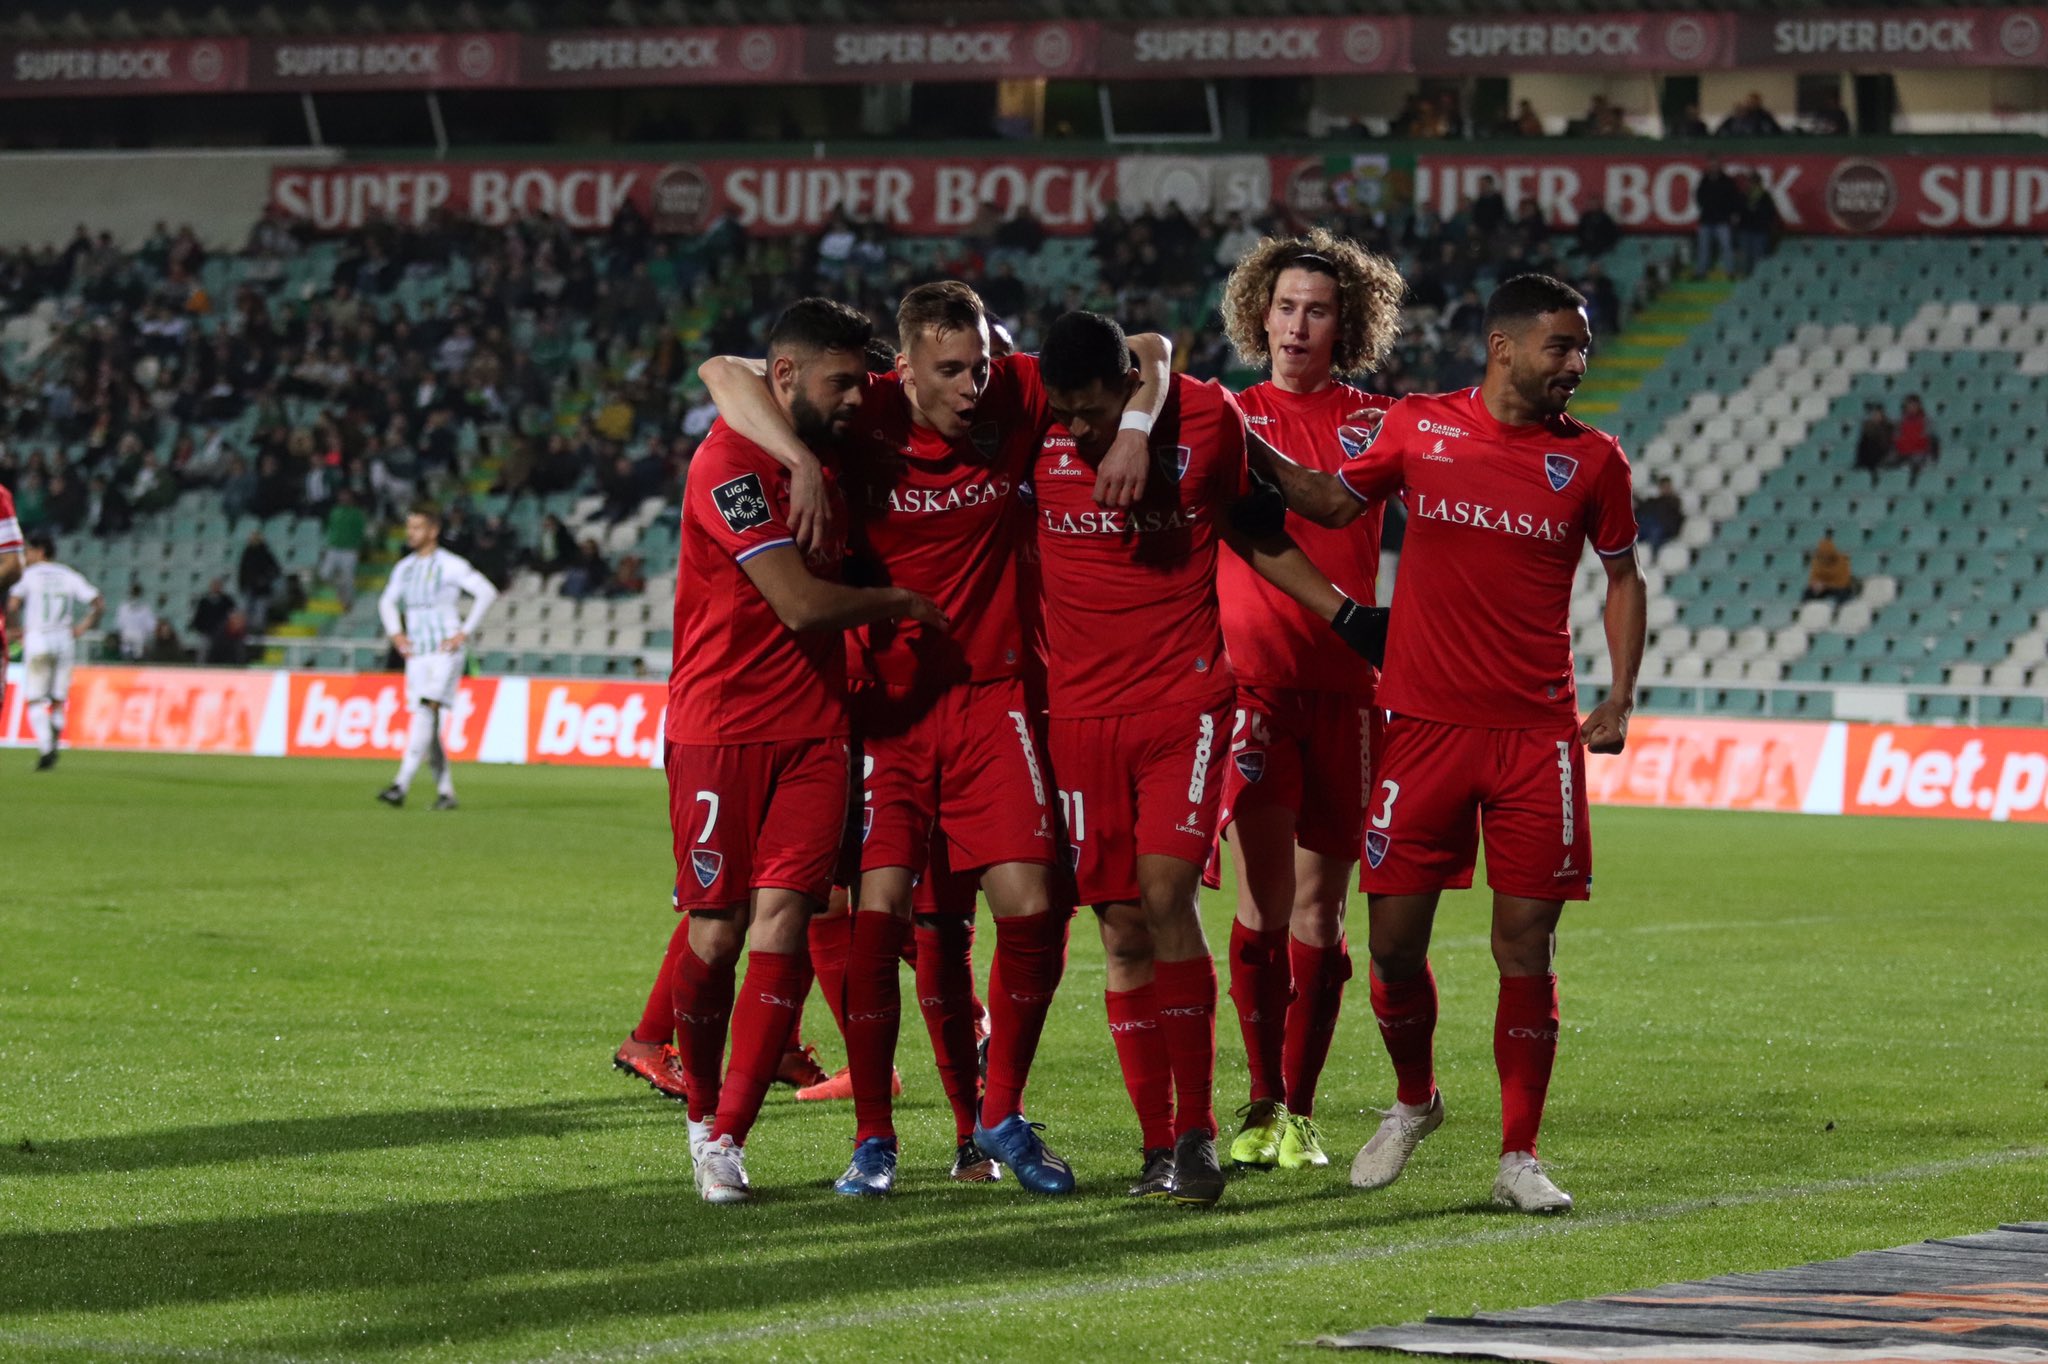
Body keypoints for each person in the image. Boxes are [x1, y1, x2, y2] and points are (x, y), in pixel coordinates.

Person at [701, 281, 1163, 1198]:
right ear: (899, 369)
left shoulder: (1018, 393)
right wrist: (794, 458)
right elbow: (721, 368)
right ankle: (874, 1137)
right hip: (885, 710)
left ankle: (999, 1114)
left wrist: (1142, 427)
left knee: (1031, 907)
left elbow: (1146, 345)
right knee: (881, 925)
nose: (969, 385)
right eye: (948, 370)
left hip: (991, 697)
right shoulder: (857, 408)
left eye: (979, 364)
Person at [1283, 274, 1646, 1214]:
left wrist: (1618, 696)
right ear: (1503, 346)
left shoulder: (1595, 462)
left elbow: (1622, 577)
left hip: (1536, 737)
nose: (1577, 364)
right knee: (1395, 950)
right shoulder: (1417, 426)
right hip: (1423, 729)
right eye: (1562, 347)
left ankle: (1519, 1154)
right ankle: (1414, 1103)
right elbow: (1329, 505)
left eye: (1584, 350)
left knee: (1526, 948)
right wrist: (1244, 451)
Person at [1032, 310, 1384, 1206]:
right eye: (1062, 414)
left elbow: (1252, 529)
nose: (1073, 430)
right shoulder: (1028, 422)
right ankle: (1159, 1146)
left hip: (1183, 702)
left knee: (1165, 895)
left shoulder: (1204, 420)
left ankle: (1197, 1134)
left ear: (1126, 389)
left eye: (1090, 413)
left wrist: (1344, 613)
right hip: (1076, 714)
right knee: (1115, 926)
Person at [653, 299, 946, 1205]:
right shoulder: (727, 464)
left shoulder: (833, 434)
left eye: (863, 378)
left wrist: (815, 457)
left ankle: (727, 1139)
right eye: (841, 382)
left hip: (817, 732)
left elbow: (744, 373)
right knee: (717, 933)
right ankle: (701, 1110)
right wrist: (901, 605)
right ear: (787, 379)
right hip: (718, 731)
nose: (860, 395)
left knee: (784, 924)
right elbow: (802, 605)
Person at [1209, 229, 1405, 1173]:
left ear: (1347, 324)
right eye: (1284, 306)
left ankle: (1300, 1107)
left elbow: (1342, 505)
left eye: (1317, 309)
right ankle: (1255, 1100)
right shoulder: (1226, 415)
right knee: (1263, 897)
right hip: (1255, 686)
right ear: (1260, 313)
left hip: (1350, 693)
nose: (1297, 324)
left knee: (1323, 913)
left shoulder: (1375, 424)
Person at [374, 502, 499, 811]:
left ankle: (400, 785)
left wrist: (465, 631)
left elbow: (486, 592)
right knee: (426, 719)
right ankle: (446, 794)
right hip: (417, 653)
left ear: (433, 531)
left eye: (417, 527)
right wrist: (396, 633)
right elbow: (386, 602)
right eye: (409, 527)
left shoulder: (451, 565)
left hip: (446, 650)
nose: (410, 533)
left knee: (425, 710)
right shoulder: (405, 568)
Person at [8, 534, 104, 770]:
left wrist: (15, 629)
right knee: (58, 700)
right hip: (64, 639)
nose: (27, 556)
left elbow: (12, 605)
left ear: (41, 551)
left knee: (35, 699)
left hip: (38, 638)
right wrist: (82, 627)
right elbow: (98, 602)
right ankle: (54, 739)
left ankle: (46, 748)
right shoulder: (67, 574)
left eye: (30, 551)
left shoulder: (28, 576)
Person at [320, 487, 367, 608]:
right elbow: (330, 529)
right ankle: (340, 587)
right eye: (342, 495)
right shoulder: (334, 511)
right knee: (324, 574)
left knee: (348, 578)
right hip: (333, 548)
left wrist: (359, 549)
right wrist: (325, 547)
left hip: (349, 550)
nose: (343, 498)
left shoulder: (357, 513)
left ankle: (348, 603)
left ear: (351, 497)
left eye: (346, 495)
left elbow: (360, 532)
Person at [1693, 162, 1739, 278]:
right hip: (1706, 219)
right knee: (1704, 247)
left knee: (1726, 246)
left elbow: (1733, 198)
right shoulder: (1704, 181)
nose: (1713, 168)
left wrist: (1732, 213)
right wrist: (1705, 207)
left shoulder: (1727, 182)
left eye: (1715, 166)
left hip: (1722, 220)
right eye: (1712, 166)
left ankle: (1730, 271)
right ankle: (1701, 271)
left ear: (1720, 167)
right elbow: (1698, 196)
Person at [1890, 394, 1938, 483]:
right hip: (1902, 452)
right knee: (1888, 462)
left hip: (1919, 452)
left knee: (1916, 461)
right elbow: (1896, 439)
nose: (1911, 408)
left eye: (1914, 405)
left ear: (1919, 406)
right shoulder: (1899, 421)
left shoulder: (1926, 421)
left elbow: (1926, 440)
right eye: (1909, 405)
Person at [1804, 528, 1857, 604]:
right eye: (1822, 554)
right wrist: (1815, 585)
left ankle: (1838, 613)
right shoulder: (1816, 561)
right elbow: (1813, 578)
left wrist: (1825, 585)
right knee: (1808, 592)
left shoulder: (1842, 560)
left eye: (1826, 555)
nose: (1824, 557)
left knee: (1842, 594)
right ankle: (1806, 611)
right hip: (1824, 587)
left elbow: (1842, 582)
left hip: (1840, 587)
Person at [1634, 476, 1686, 551]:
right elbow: (1643, 506)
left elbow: (1674, 520)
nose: (1666, 489)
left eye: (1668, 487)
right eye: (1664, 487)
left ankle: (1653, 554)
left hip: (1665, 529)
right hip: (1650, 526)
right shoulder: (1655, 501)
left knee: (1655, 531)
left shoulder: (1675, 501)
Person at [115, 581, 157, 660]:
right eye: (133, 592)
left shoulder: (145, 609)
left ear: (140, 594)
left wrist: (146, 640)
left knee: (138, 657)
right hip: (126, 642)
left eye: (136, 593)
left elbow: (151, 627)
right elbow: (119, 626)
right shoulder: (123, 608)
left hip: (141, 642)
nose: (134, 595)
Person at [1854, 403, 1895, 480]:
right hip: (1870, 453)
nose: (1875, 416)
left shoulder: (1888, 426)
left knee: (1872, 443)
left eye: (1877, 414)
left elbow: (1887, 442)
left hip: (1883, 451)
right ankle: (1863, 463)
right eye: (1874, 414)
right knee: (1865, 441)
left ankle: (1869, 466)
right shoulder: (1868, 426)